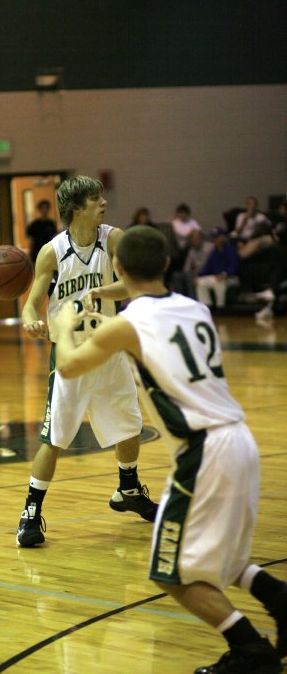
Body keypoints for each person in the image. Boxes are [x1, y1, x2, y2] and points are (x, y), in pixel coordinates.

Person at [54, 225, 286, 674]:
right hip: (240, 439)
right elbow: (160, 344)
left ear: (117, 267)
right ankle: (282, 602)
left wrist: (66, 327)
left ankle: (251, 652)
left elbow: (68, 365)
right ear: (166, 264)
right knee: (230, 558)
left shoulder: (129, 326)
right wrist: (112, 331)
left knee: (171, 573)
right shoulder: (196, 308)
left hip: (204, 452)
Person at [16, 176, 157, 547]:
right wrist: (32, 319)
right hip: (70, 354)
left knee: (129, 426)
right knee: (55, 437)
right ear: (77, 207)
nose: (103, 203)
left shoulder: (114, 239)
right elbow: (33, 300)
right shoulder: (52, 251)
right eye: (95, 199)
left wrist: (100, 291)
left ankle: (128, 489)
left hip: (109, 347)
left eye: (102, 197)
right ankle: (31, 512)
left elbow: (135, 285)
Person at [196, 227, 240, 312]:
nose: (214, 240)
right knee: (200, 282)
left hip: (231, 278)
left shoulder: (230, 250)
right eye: (213, 237)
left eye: (216, 237)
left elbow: (234, 266)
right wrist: (199, 275)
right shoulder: (214, 252)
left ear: (223, 237)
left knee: (219, 282)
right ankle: (206, 307)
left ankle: (221, 307)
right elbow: (208, 267)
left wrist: (224, 274)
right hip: (216, 277)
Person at [171, 229, 213, 299]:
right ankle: (180, 300)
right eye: (192, 239)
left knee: (189, 276)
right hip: (195, 272)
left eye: (197, 238)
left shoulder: (210, 247)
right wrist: (190, 273)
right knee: (177, 275)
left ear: (201, 238)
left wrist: (196, 273)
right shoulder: (191, 250)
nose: (195, 241)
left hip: (206, 271)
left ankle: (193, 300)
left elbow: (211, 264)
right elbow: (186, 267)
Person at [25, 199, 57, 264]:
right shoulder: (34, 224)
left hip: (48, 251)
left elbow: (54, 238)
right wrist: (30, 253)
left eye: (46, 208)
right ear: (40, 210)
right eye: (43, 208)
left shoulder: (51, 224)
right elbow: (31, 240)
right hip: (36, 250)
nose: (44, 210)